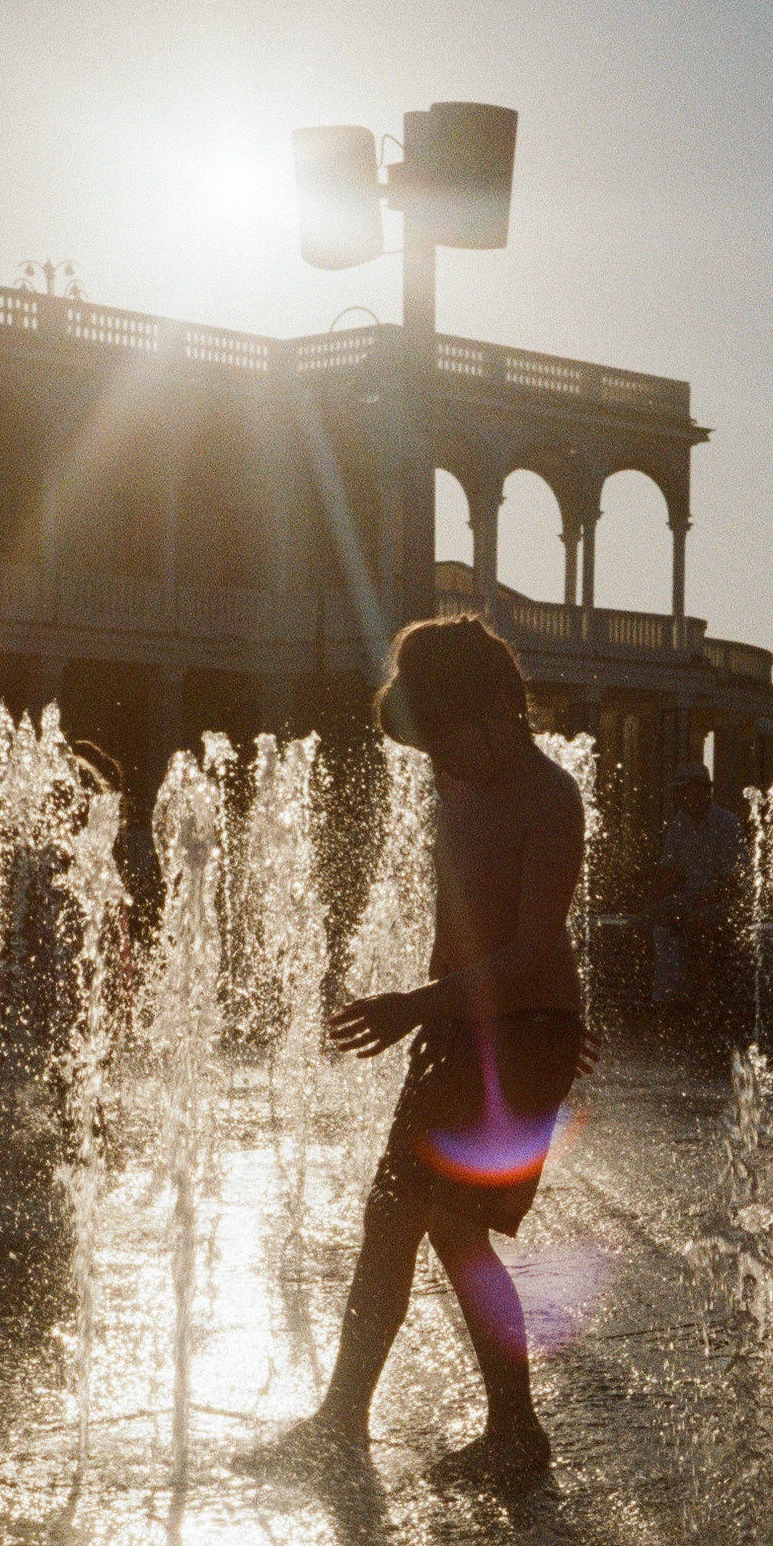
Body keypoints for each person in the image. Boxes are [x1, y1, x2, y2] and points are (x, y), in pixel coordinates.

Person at [298, 615, 587, 1489]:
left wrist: (422, 1007)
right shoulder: (456, 780)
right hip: (458, 1029)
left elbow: (535, 947)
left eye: (450, 741)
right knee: (387, 1219)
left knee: (459, 1228)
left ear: (505, 706)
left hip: (525, 1033)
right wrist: (428, 1017)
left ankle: (517, 1434)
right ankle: (340, 1420)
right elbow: (461, 926)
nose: (442, 763)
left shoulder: (550, 797)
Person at [647, 762, 745, 1041]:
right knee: (652, 925)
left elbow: (735, 883)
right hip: (691, 902)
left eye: (687, 791)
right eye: (680, 792)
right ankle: (662, 1007)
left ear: (704, 792)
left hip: (725, 903)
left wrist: (695, 904)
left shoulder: (727, 823)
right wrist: (648, 907)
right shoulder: (679, 824)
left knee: (699, 924)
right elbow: (668, 873)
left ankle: (704, 1004)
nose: (683, 797)